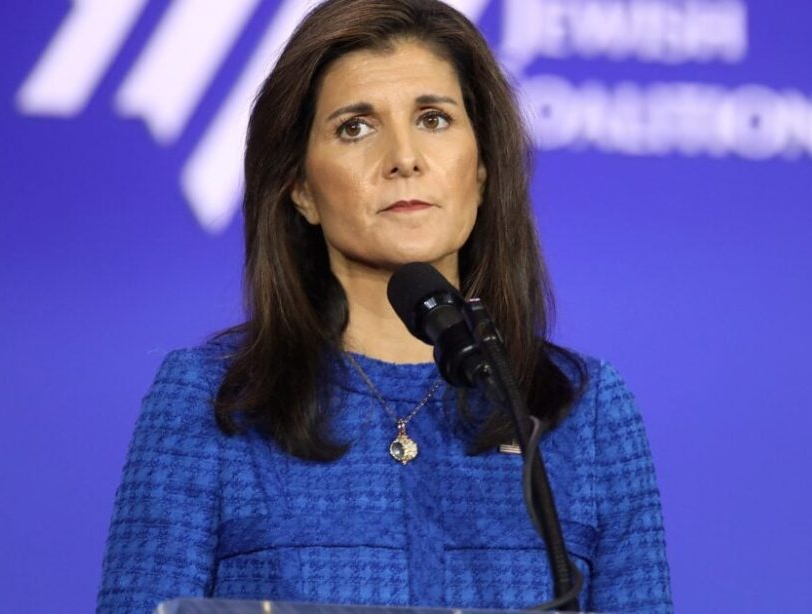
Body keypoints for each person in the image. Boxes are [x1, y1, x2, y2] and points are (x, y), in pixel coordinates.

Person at [97, 0, 673, 612]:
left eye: (433, 119)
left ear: (481, 169)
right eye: (355, 127)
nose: (404, 157)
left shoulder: (585, 410)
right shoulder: (214, 400)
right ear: (300, 188)